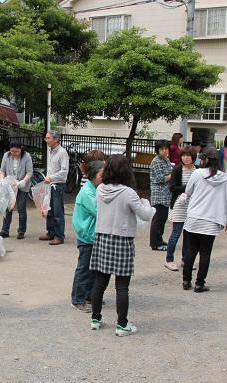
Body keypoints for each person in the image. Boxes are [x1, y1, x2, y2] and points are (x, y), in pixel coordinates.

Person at [89, 155, 154, 336]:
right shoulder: (128, 193)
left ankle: (95, 319)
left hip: (102, 237)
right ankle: (122, 324)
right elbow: (145, 215)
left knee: (100, 282)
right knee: (122, 286)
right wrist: (150, 207)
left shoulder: (100, 189)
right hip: (122, 239)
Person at [182, 147, 227, 292]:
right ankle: (199, 284)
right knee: (205, 253)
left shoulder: (197, 173)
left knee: (191, 250)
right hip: (211, 221)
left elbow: (188, 191)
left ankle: (186, 281)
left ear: (204, 160)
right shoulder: (226, 178)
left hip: (194, 218)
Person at [70, 160, 105, 313]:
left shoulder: (95, 189)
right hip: (87, 236)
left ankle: (90, 296)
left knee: (93, 269)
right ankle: (78, 299)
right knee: (84, 269)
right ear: (93, 175)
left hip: (92, 235)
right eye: (101, 175)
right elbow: (99, 211)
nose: (104, 177)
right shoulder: (87, 192)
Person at [164, 147, 196, 271]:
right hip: (179, 204)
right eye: (183, 155)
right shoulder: (177, 169)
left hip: (192, 205)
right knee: (176, 233)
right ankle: (169, 259)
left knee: (189, 235)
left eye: (188, 155)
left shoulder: (197, 170)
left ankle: (186, 259)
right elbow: (172, 187)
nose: (186, 158)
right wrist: (186, 188)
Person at [0, 141, 33, 239]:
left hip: (22, 185)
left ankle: (21, 230)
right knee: (8, 207)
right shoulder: (6, 156)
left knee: (21, 208)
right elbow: (2, 170)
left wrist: (24, 181)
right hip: (9, 185)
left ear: (20, 149)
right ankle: (5, 230)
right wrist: (1, 179)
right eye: (12, 151)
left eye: (16, 151)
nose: (14, 153)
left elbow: (29, 172)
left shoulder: (26, 157)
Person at [39, 130, 68, 245]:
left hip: (58, 185)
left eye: (48, 138)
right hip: (50, 184)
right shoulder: (51, 151)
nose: (46, 140)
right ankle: (50, 232)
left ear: (56, 139)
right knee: (49, 210)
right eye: (46, 138)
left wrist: (51, 177)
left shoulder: (62, 152)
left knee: (58, 211)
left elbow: (64, 171)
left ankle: (59, 236)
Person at [149, 139, 172, 251]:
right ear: (157, 150)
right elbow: (159, 178)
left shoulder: (166, 160)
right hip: (159, 194)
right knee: (158, 219)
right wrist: (172, 176)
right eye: (162, 149)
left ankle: (159, 239)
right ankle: (155, 243)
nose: (165, 151)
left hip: (166, 194)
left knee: (163, 218)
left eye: (166, 148)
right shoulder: (157, 161)